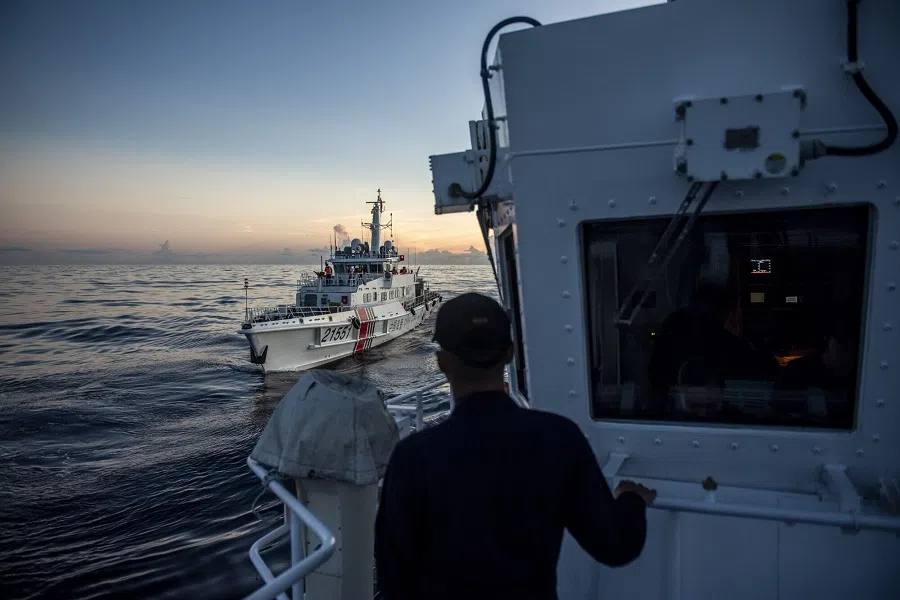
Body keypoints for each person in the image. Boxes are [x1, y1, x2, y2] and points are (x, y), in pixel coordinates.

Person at [375, 292, 655, 600]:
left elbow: (393, 579)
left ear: (442, 362)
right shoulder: (560, 438)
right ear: (509, 354)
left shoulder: (412, 457)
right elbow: (615, 546)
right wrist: (631, 499)